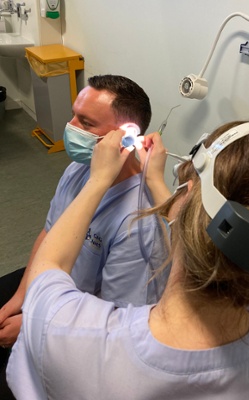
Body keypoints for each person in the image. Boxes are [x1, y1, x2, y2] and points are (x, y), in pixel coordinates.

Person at [7, 115, 249, 399]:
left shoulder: (79, 336)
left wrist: (99, 180)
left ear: (186, 196)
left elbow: (46, 270)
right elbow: (207, 231)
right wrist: (157, 181)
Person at [0, 75, 168, 398]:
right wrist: (21, 299)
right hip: (52, 284)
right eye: (75, 115)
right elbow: (49, 232)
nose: (71, 126)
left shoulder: (139, 224)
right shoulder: (81, 167)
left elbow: (114, 322)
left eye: (86, 123)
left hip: (85, 329)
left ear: (127, 136)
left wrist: (34, 323)